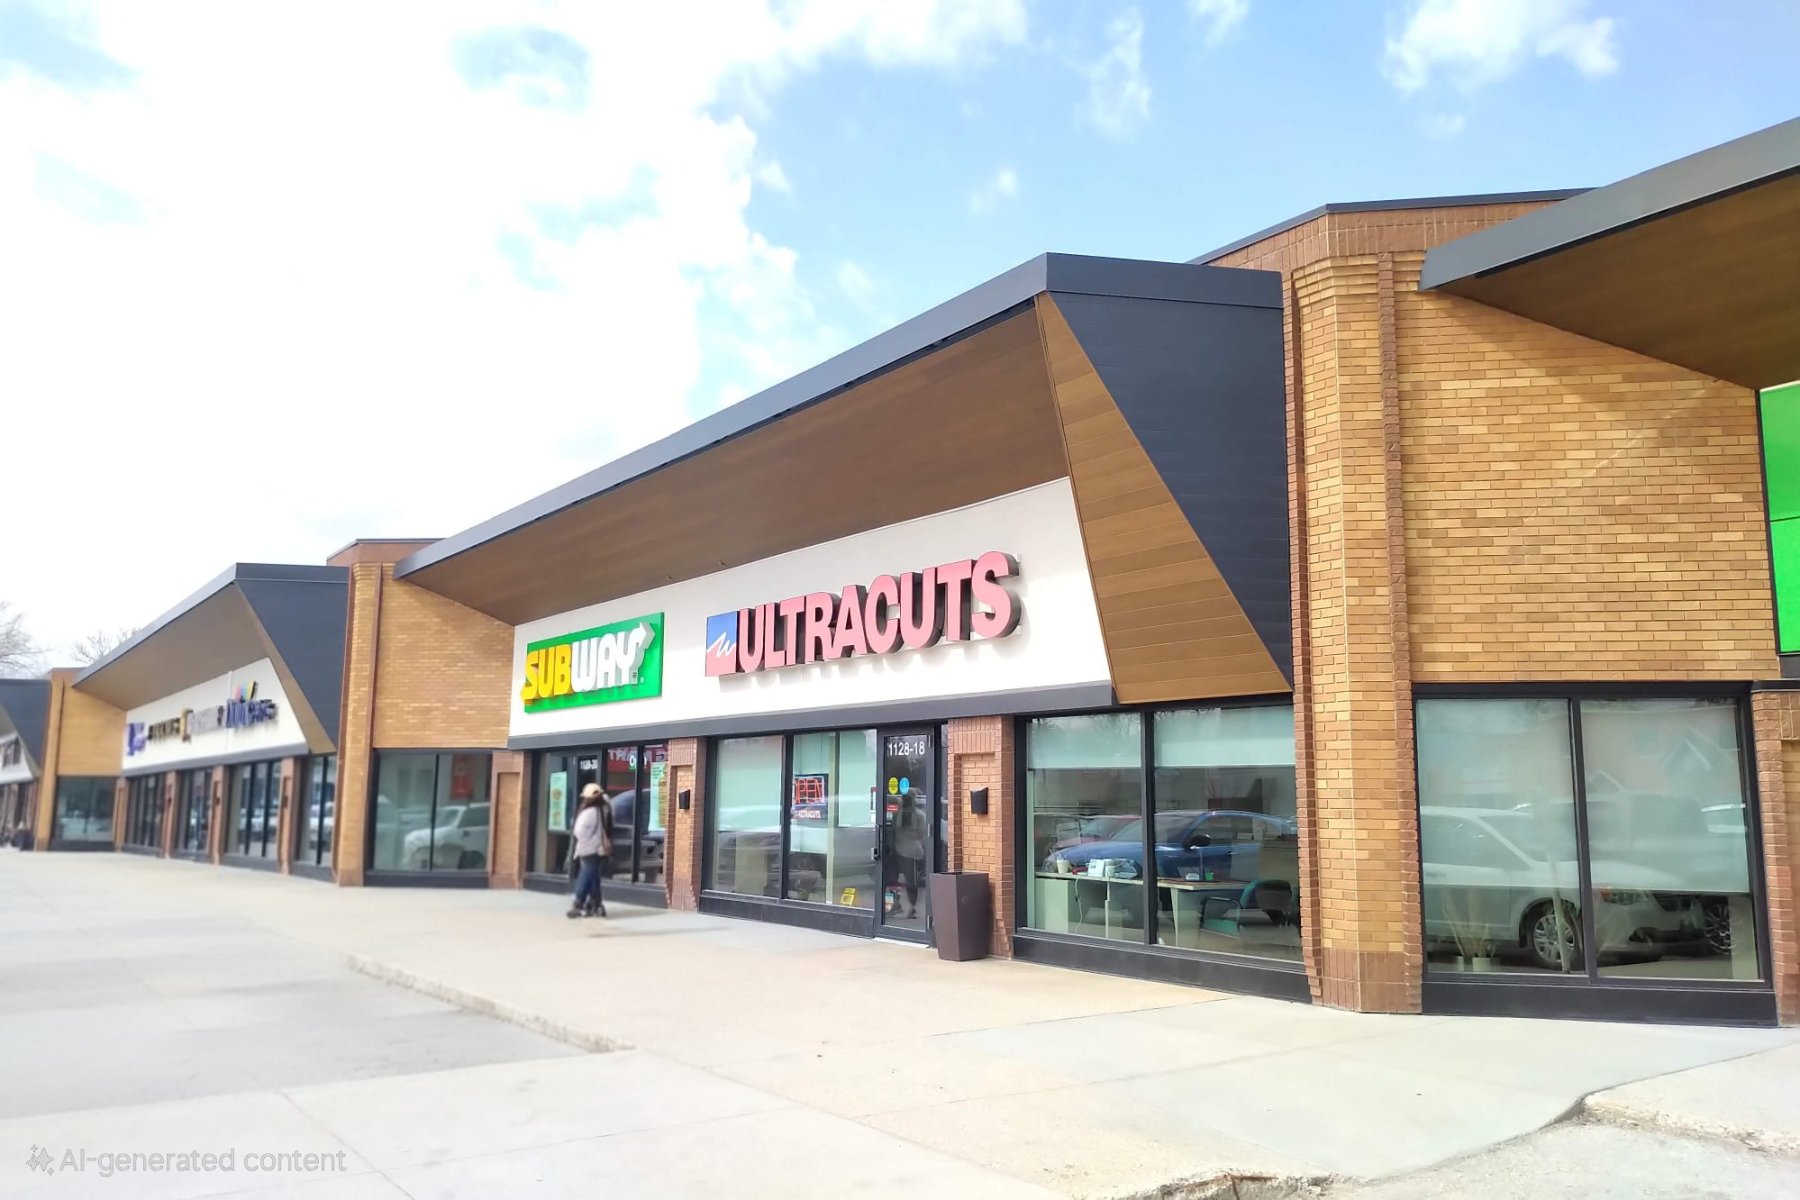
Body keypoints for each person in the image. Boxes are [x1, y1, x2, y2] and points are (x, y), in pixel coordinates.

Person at [567, 784, 615, 919]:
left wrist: (586, 839)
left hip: (588, 848)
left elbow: (578, 831)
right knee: (593, 876)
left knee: (587, 874)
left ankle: (579, 903)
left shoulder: (589, 812)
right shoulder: (605, 808)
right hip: (599, 848)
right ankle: (595, 903)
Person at [891, 794, 929, 920]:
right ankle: (908, 906)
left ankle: (906, 906)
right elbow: (923, 834)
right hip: (912, 850)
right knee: (910, 880)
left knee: (901, 880)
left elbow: (894, 831)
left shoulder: (899, 814)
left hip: (902, 850)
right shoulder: (918, 815)